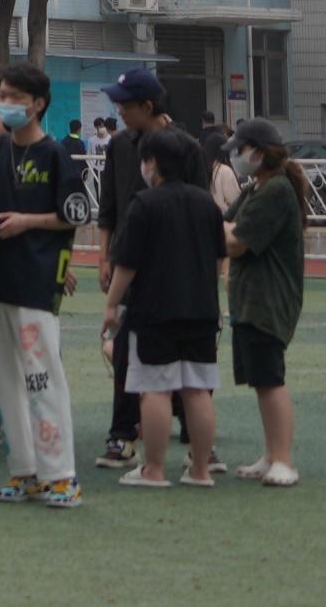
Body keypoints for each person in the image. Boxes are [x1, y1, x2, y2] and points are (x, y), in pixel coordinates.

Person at [0, 60, 78, 505]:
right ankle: (25, 471)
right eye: (3, 97)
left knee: (42, 377)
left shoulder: (56, 155)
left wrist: (28, 222)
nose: (6, 105)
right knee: (5, 381)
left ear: (38, 104)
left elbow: (74, 213)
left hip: (37, 280)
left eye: (15, 97)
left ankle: (62, 476)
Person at [99, 126, 225, 487]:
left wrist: (111, 306)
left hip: (153, 311)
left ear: (151, 163)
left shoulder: (144, 204)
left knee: (155, 388)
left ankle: (154, 469)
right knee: (197, 390)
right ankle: (200, 470)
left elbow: (127, 265)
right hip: (201, 310)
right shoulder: (206, 204)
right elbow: (218, 261)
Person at [91, 66, 172, 466]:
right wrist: (104, 255)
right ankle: (122, 434)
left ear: (148, 105)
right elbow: (108, 207)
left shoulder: (180, 145)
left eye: (125, 104)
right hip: (127, 263)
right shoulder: (120, 147)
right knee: (123, 350)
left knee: (183, 352)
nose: (118, 110)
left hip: (169, 266)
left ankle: (195, 437)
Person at [224, 117, 310, 486]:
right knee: (260, 380)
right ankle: (271, 454)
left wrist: (213, 230)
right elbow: (226, 223)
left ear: (258, 152)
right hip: (250, 299)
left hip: (269, 300)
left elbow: (236, 240)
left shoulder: (275, 190)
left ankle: (285, 460)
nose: (237, 156)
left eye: (241, 150)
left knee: (271, 379)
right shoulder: (257, 187)